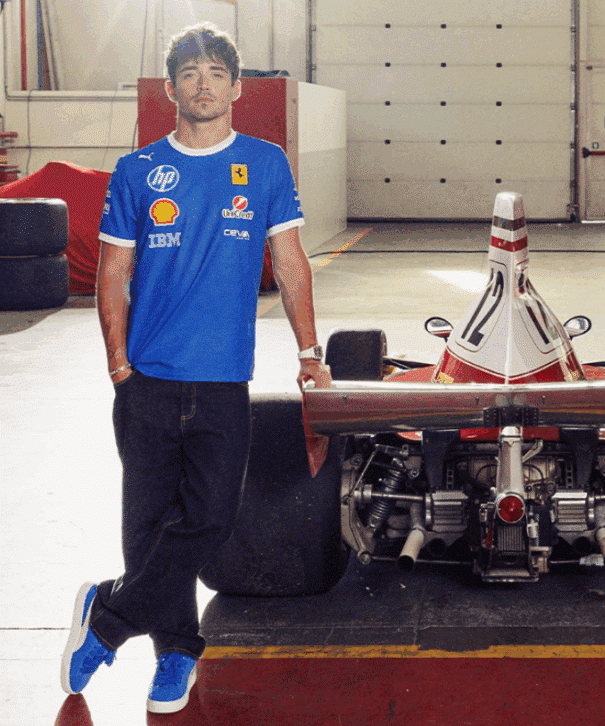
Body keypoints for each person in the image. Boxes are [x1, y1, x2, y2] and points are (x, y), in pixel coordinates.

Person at [59, 22, 332, 713]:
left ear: (237, 88)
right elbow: (112, 271)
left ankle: (106, 616)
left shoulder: (265, 164)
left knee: (210, 518)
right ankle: (176, 651)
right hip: (148, 379)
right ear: (171, 88)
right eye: (190, 74)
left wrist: (309, 353)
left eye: (216, 74)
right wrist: (118, 365)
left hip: (222, 379)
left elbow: (290, 263)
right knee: (147, 525)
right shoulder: (138, 170)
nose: (203, 85)